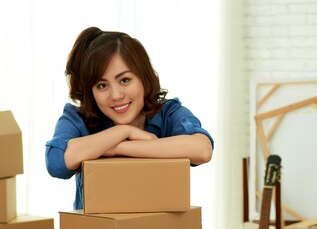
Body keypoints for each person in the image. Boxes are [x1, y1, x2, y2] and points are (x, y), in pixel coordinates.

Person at [46, 27, 213, 209]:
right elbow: (56, 162)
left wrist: (117, 148)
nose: (116, 95)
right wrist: (123, 131)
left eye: (125, 80)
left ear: (144, 77)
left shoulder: (167, 113)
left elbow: (202, 149)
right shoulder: (78, 118)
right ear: (91, 91)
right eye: (102, 85)